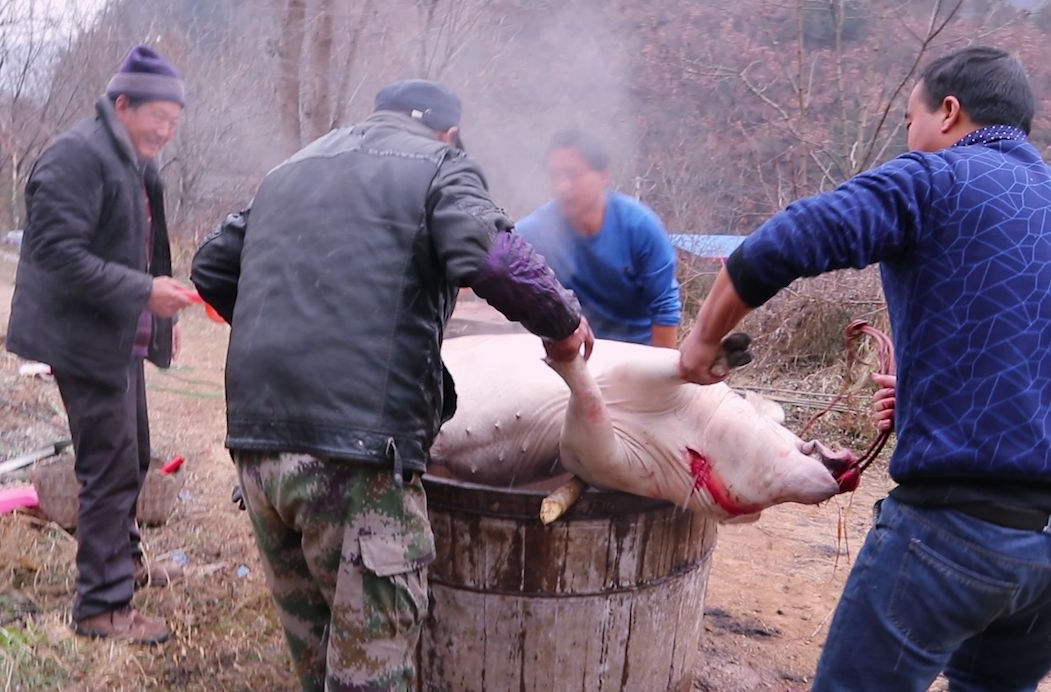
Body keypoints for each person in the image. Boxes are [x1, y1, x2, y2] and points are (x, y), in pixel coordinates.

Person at [190, 79, 592, 690]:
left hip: (257, 446)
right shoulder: (440, 166)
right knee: (371, 669)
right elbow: (489, 256)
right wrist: (562, 322)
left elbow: (212, 267)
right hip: (354, 461)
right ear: (448, 132)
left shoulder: (292, 171)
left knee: (318, 647)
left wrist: (294, 329)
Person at [677, 46, 1051, 690]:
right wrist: (940, 391)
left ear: (950, 112)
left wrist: (700, 341)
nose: (908, 135)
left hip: (950, 535)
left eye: (911, 118)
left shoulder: (935, 180)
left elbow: (787, 239)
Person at [6, 45, 194, 645]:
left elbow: (137, 251)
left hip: (119, 335)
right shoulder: (76, 157)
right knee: (108, 469)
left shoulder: (136, 162)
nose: (164, 131)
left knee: (132, 459)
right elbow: (57, 257)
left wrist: (158, 315)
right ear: (121, 105)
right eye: (155, 117)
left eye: (173, 121)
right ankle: (101, 607)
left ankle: (125, 566)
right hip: (78, 337)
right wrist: (144, 292)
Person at [515, 129, 682, 347]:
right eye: (555, 175)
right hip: (571, 350)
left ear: (604, 175)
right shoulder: (538, 228)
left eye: (573, 175)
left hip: (636, 352)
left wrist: (661, 371)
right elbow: (489, 260)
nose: (562, 186)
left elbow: (664, 307)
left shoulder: (639, 226)